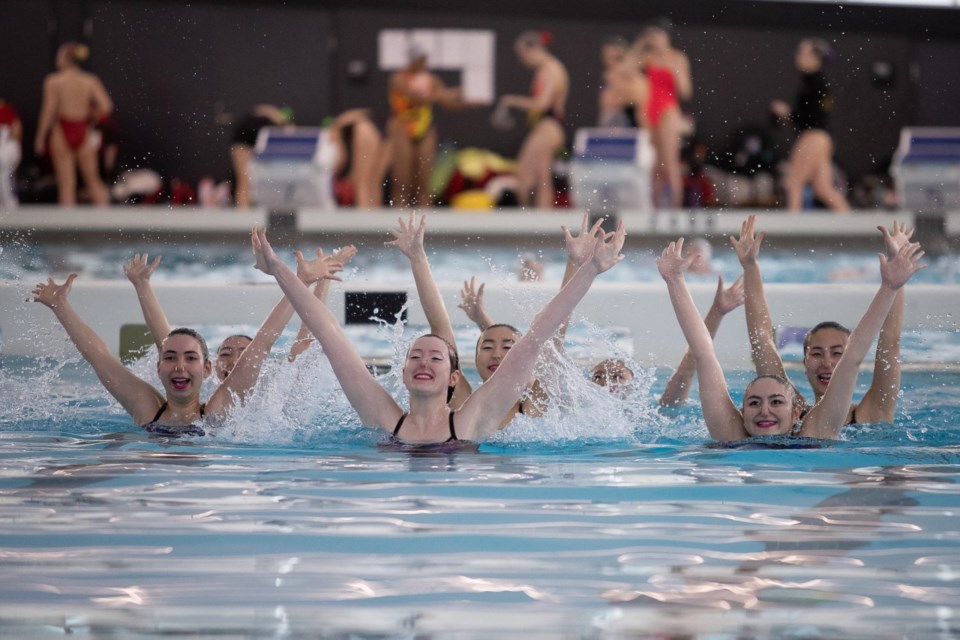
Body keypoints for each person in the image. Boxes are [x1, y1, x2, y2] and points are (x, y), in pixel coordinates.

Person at [250, 219, 625, 445]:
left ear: (454, 376)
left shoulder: (474, 416)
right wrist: (280, 270)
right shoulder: (382, 416)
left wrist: (588, 269)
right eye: (415, 355)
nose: (423, 361)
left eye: (435, 356)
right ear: (403, 372)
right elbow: (329, 333)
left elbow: (541, 334)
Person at [29, 253, 341, 434]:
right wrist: (62, 307)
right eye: (171, 359)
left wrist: (302, 283)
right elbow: (98, 357)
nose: (180, 366)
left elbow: (265, 341)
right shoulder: (145, 406)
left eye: (190, 359)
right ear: (158, 366)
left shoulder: (220, 410)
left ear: (206, 369)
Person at [657, 235, 924, 442]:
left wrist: (891, 288)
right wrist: (675, 281)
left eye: (775, 402)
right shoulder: (734, 433)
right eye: (753, 403)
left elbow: (860, 356)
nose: (764, 410)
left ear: (797, 412)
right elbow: (707, 352)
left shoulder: (819, 428)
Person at [732, 215, 913, 425]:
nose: (827, 363)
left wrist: (896, 275)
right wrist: (751, 267)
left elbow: (891, 344)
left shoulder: (871, 413)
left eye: (837, 353)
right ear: (805, 363)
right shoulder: (791, 412)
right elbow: (761, 340)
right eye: (817, 354)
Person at [123, 250, 348, 381]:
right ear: (209, 367)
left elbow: (303, 345)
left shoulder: (270, 392)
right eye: (226, 354)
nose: (233, 360)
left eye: (244, 353)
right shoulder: (202, 392)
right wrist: (142, 286)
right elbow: (168, 346)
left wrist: (322, 283)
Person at [770, 38, 850, 212]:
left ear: (815, 57)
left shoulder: (816, 83)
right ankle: (851, 223)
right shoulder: (810, 81)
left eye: (802, 52)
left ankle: (791, 230)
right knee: (823, 188)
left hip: (814, 136)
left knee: (793, 182)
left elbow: (812, 116)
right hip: (822, 138)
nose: (797, 56)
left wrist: (787, 113)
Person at [496, 31, 570, 208]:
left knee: (524, 174)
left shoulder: (551, 69)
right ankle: (543, 224)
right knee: (542, 176)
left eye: (522, 55)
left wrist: (511, 100)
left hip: (549, 128)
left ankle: (525, 221)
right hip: (546, 127)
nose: (522, 60)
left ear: (534, 49)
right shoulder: (546, 69)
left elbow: (542, 104)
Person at [34, 42, 113, 206]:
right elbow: (106, 106)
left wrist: (40, 137)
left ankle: (67, 229)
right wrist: (92, 116)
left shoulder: (54, 81)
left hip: (62, 130)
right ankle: (107, 223)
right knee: (92, 180)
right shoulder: (89, 80)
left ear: (65, 58)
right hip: (82, 128)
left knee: (66, 184)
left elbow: (48, 111)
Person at [387, 47, 466, 208]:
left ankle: (425, 225)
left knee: (424, 183)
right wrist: (447, 94)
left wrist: (468, 99)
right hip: (403, 127)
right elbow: (414, 97)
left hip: (424, 128)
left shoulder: (431, 80)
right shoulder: (398, 78)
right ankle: (400, 222)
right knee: (402, 182)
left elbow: (449, 103)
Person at [658, 274, 744, 406]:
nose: (614, 384)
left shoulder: (657, 411)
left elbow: (687, 370)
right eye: (613, 378)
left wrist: (717, 312)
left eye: (619, 377)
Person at [636, 21, 692, 209]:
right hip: (651, 109)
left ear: (666, 37)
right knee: (656, 167)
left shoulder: (678, 57)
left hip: (669, 110)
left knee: (670, 164)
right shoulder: (648, 57)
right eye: (652, 37)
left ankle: (675, 213)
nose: (655, 40)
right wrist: (639, 44)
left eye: (658, 36)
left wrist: (672, 66)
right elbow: (626, 69)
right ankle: (655, 211)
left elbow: (685, 91)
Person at [231, 104, 293, 208]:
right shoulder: (276, 119)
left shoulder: (271, 120)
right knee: (245, 180)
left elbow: (258, 110)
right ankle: (243, 210)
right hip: (243, 140)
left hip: (247, 139)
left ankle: (246, 208)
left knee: (247, 180)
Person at [328, 109, 391, 208]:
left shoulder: (361, 128)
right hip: (378, 121)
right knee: (372, 185)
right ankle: (371, 221)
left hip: (360, 124)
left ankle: (366, 221)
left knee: (365, 185)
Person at [0, 98, 22, 209]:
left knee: (3, 165)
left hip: (7, 146)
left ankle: (11, 203)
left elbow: (17, 131)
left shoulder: (8, 111)